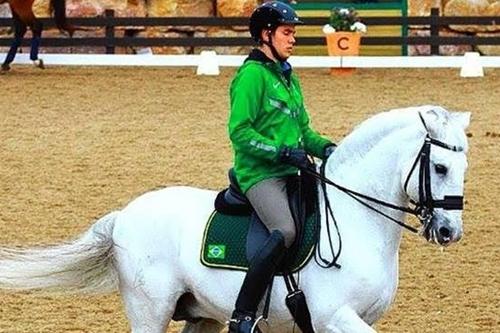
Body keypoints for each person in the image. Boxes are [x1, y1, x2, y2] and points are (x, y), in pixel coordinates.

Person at [227, 2, 336, 332]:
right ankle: (243, 313)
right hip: (260, 174)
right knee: (286, 230)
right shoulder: (251, 77)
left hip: (292, 171)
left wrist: (330, 148)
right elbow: (240, 132)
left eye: (293, 33)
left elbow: (304, 132)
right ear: (266, 35)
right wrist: (282, 153)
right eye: (287, 33)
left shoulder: (289, 78)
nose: (293, 39)